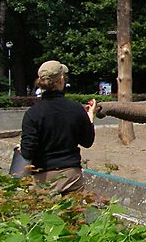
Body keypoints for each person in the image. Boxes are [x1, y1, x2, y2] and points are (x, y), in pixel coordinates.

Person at [20, 60, 97, 195]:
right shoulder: (75, 109)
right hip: (71, 175)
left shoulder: (32, 114)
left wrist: (21, 148)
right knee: (74, 214)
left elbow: (27, 153)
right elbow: (87, 141)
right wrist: (90, 117)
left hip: (43, 178)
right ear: (61, 80)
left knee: (44, 215)